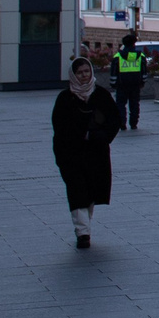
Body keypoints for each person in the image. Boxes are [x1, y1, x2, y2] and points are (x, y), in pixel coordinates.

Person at [50, 57, 122, 250]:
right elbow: (59, 127)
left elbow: (114, 119)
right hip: (71, 155)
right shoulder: (65, 98)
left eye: (86, 72)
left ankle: (84, 227)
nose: (83, 76)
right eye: (80, 73)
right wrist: (81, 135)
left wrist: (103, 136)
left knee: (90, 192)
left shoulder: (101, 95)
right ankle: (83, 232)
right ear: (73, 75)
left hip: (96, 154)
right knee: (77, 191)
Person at [113, 35, 147, 131]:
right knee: (134, 104)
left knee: (120, 105)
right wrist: (142, 82)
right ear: (134, 44)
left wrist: (113, 84)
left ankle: (122, 123)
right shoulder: (141, 56)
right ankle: (133, 124)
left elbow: (113, 73)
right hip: (136, 85)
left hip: (121, 85)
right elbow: (144, 72)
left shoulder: (118, 56)